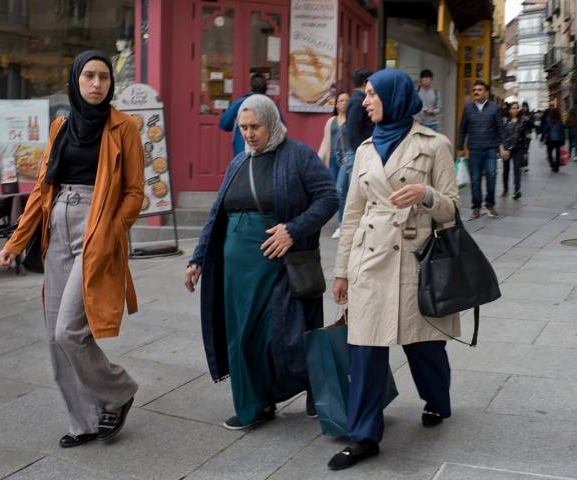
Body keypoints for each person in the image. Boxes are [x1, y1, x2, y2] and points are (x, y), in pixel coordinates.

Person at [0, 50, 144, 448]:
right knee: (53, 335)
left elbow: (135, 193)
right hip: (58, 223)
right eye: (89, 77)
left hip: (97, 225)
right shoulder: (61, 126)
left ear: (111, 84)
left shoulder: (124, 127)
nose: (97, 84)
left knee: (70, 330)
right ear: (75, 81)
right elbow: (43, 189)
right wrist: (16, 241)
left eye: (104, 77)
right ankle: (85, 421)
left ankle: (119, 389)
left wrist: (113, 230)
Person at [327, 69, 460, 471]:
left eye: (370, 95)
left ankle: (437, 401)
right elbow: (351, 214)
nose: (363, 102)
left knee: (424, 347)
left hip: (413, 258)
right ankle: (364, 436)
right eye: (364, 95)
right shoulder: (365, 148)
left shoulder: (434, 145)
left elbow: (453, 208)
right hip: (369, 258)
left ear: (394, 97)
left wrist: (426, 194)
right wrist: (341, 272)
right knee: (364, 348)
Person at [184, 94, 339, 430]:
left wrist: (293, 230)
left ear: (271, 122)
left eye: (255, 126)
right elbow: (216, 212)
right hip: (235, 266)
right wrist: (197, 258)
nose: (249, 134)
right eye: (243, 128)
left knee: (284, 333)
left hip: (278, 263)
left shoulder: (297, 155)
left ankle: (313, 388)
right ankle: (254, 405)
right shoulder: (240, 161)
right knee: (241, 334)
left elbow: (329, 197)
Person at [457, 80, 508, 219]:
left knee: (491, 176)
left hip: (491, 149)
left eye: (479, 90)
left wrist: (505, 147)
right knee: (475, 179)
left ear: (486, 93)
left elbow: (500, 129)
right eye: (474, 90)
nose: (476, 92)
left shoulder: (494, 108)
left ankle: (490, 205)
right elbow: (462, 130)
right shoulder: (468, 109)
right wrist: (460, 147)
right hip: (474, 149)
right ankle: (476, 207)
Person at [335, 68, 374, 237]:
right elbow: (353, 130)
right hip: (358, 152)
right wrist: (362, 152)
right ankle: (352, 230)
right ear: (365, 83)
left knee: (350, 191)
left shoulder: (357, 99)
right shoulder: (358, 101)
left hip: (355, 152)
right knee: (356, 194)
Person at [318, 91, 350, 238]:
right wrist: (319, 159)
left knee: (340, 189)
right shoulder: (331, 121)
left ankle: (341, 224)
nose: (343, 103)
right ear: (336, 104)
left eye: (346, 100)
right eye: (340, 100)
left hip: (346, 159)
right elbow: (326, 141)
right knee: (335, 192)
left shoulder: (351, 120)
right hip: (332, 159)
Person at [219, 74, 269, 157]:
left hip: (242, 152)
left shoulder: (239, 103)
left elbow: (224, 124)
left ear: (251, 88)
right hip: (266, 153)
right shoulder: (272, 105)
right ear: (265, 89)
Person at [501, 102, 529, 199]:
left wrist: (525, 151)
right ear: (509, 110)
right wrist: (503, 148)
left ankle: (517, 190)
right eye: (513, 108)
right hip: (507, 149)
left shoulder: (522, 122)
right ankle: (505, 189)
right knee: (506, 170)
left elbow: (525, 137)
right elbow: (502, 136)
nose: (515, 110)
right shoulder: (505, 121)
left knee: (517, 169)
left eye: (517, 108)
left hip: (518, 149)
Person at [541, 108, 566, 173]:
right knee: (558, 154)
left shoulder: (548, 120)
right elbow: (562, 132)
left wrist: (542, 138)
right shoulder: (560, 121)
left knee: (549, 153)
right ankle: (557, 168)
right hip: (558, 140)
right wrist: (563, 141)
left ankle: (552, 165)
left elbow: (545, 130)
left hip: (550, 139)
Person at [519, 102, 535, 174]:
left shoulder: (530, 114)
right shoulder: (519, 114)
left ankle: (525, 166)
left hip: (527, 135)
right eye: (523, 106)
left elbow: (533, 125)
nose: (524, 108)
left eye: (525, 107)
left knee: (525, 151)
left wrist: (528, 120)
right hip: (519, 135)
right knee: (520, 150)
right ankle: (521, 165)